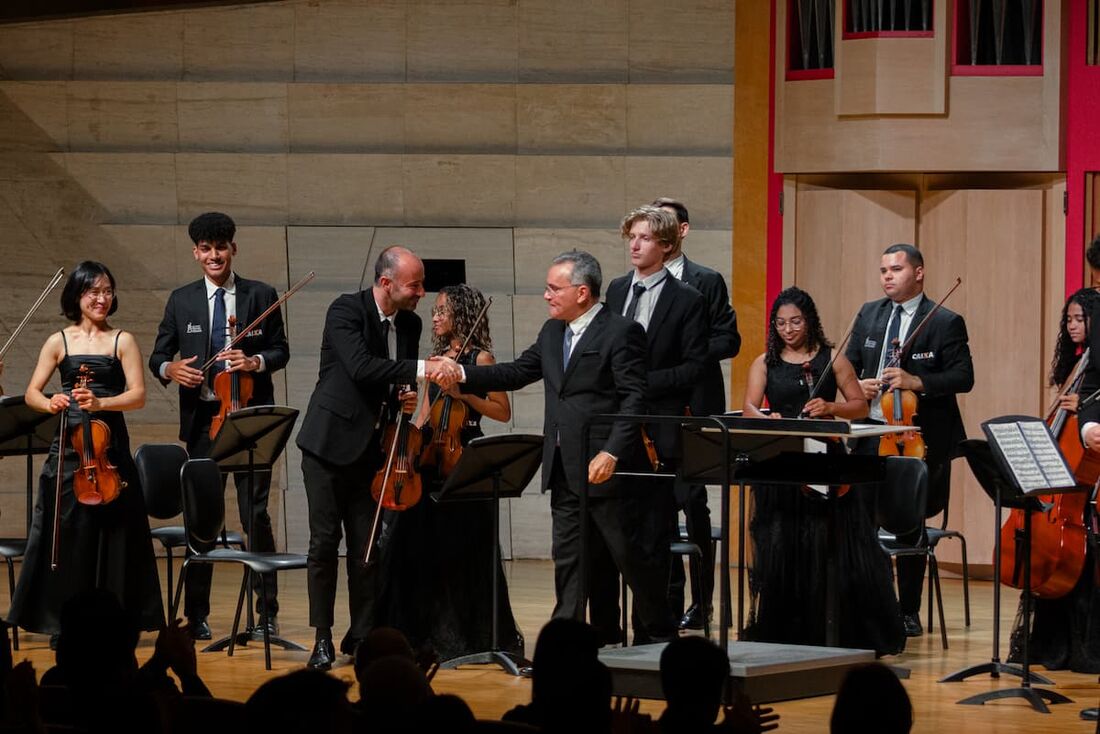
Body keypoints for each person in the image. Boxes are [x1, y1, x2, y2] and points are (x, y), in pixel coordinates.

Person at [430, 251, 675, 643]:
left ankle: (662, 639)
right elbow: (514, 372)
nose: (546, 296)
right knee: (569, 564)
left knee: (630, 560)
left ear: (582, 291)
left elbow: (634, 399)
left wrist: (612, 451)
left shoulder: (620, 331)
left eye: (553, 288)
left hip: (606, 469)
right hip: (563, 467)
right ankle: (566, 646)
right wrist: (461, 371)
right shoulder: (551, 332)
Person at [297, 246, 453, 670]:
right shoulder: (346, 311)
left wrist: (403, 396)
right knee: (324, 546)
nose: (422, 292)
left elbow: (393, 374)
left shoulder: (411, 323)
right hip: (327, 447)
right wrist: (421, 370)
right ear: (386, 283)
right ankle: (322, 638)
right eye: (415, 285)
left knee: (367, 552)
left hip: (374, 450)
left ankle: (363, 637)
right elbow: (363, 367)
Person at [149, 211, 289, 641]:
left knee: (256, 517)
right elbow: (158, 355)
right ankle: (197, 616)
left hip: (249, 426)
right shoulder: (182, 300)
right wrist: (171, 369)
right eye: (206, 249)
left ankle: (266, 614)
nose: (214, 255)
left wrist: (255, 361)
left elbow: (281, 350)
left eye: (221, 247)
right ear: (196, 253)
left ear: (233, 249)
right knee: (203, 521)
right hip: (203, 427)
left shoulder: (260, 294)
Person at [743, 286, 904, 655]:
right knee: (784, 545)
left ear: (810, 321)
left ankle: (834, 628)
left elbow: (860, 406)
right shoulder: (764, 362)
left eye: (795, 321)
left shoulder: (834, 360)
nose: (788, 329)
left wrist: (831, 407)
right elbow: (750, 407)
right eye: (781, 323)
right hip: (783, 465)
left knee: (826, 546)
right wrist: (772, 417)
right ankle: (790, 630)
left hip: (827, 464)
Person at [8, 261, 163, 639]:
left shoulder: (121, 340)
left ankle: (115, 621)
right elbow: (32, 393)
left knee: (113, 534)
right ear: (77, 296)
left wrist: (100, 404)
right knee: (67, 535)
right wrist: (52, 404)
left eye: (107, 290)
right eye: (93, 291)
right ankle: (61, 620)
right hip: (68, 450)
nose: (102, 298)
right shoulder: (58, 341)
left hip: (109, 450)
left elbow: (138, 396)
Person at [374, 283, 523, 660]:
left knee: (463, 552)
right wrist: (408, 426)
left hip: (465, 463)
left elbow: (501, 412)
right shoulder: (436, 359)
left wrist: (463, 393)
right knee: (417, 547)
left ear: (461, 314)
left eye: (442, 311)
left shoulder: (481, 359)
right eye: (435, 310)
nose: (435, 317)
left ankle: (467, 636)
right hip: (430, 463)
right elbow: (424, 416)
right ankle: (420, 632)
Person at [846, 243, 974, 637]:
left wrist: (917, 381)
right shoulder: (869, 313)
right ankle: (876, 604)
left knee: (908, 523)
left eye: (896, 269)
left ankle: (908, 610)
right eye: (883, 269)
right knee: (864, 521)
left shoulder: (945, 321)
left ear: (918, 273)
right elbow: (848, 364)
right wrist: (858, 384)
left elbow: (963, 377)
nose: (887, 276)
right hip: (870, 431)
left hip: (917, 438)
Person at [596, 205, 707, 643]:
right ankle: (606, 632)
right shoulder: (618, 289)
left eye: (643, 238)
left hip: (659, 432)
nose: (635, 245)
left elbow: (694, 368)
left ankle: (653, 633)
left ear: (666, 245)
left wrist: (640, 382)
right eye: (631, 237)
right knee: (613, 537)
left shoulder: (688, 300)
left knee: (652, 538)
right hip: (616, 430)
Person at [653, 197, 741, 630]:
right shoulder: (632, 285)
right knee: (657, 506)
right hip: (652, 412)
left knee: (693, 503)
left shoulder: (706, 280)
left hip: (693, 404)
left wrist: (685, 357)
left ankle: (702, 602)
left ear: (681, 230)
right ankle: (665, 600)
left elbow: (729, 339)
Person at [1012, 287, 1100, 672]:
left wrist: (1084, 408)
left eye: (1082, 319)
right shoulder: (1076, 364)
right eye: (1069, 319)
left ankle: (1082, 645)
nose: (1074, 325)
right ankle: (1053, 643)